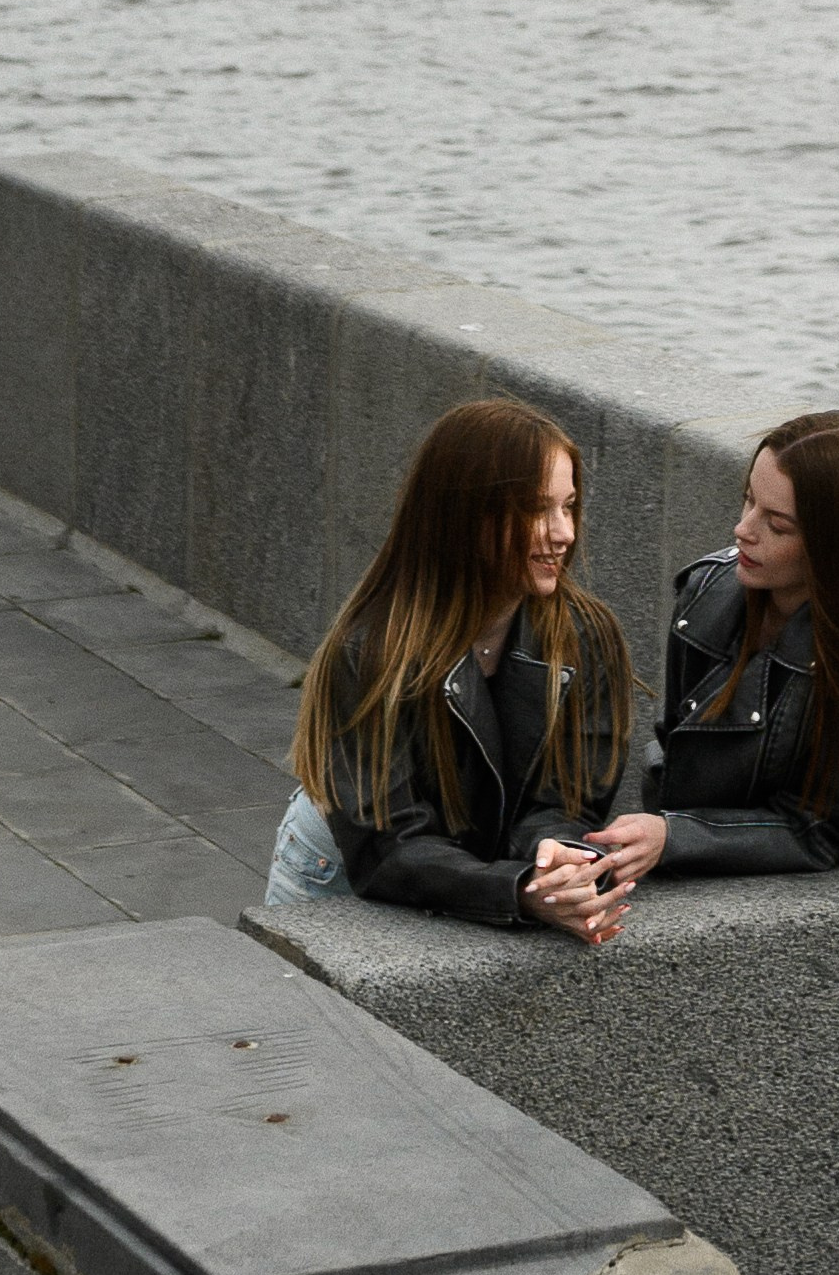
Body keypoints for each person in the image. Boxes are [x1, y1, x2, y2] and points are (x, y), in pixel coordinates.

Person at [268, 396, 635, 940]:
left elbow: (571, 798)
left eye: (568, 506)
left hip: (482, 872)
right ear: (467, 516)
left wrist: (551, 863)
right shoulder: (372, 651)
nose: (564, 534)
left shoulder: (586, 634)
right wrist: (519, 890)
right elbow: (389, 845)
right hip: (340, 876)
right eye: (537, 509)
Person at [585, 409, 839, 885]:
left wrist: (678, 836)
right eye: (748, 501)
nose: (743, 530)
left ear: (838, 546)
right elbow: (675, 743)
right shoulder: (704, 591)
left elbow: (837, 835)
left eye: (777, 524)